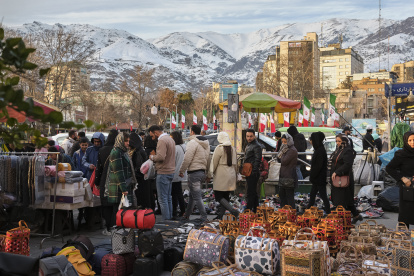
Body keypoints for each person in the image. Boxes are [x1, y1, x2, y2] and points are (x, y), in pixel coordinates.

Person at [179, 125, 210, 222]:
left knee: (196, 196)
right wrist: (208, 173)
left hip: (194, 172)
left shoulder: (192, 143)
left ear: (192, 132)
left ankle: (204, 216)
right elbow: (208, 159)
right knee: (193, 196)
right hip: (202, 172)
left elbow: (187, 158)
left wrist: (181, 170)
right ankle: (187, 215)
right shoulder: (206, 143)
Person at [330, 134, 362, 223]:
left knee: (341, 200)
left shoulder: (347, 151)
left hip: (343, 178)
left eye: (339, 141)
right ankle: (355, 215)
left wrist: (337, 172)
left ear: (344, 141)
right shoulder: (338, 150)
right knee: (347, 199)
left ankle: (341, 221)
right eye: (336, 141)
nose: (337, 143)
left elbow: (347, 164)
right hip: (338, 178)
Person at [386, 131, 414, 227]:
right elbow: (389, 168)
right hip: (407, 187)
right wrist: (402, 178)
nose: (412, 142)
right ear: (405, 141)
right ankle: (404, 239)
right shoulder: (401, 154)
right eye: (410, 140)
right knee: (405, 214)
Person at [207, 132, 238, 219]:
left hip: (221, 174)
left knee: (218, 196)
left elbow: (214, 162)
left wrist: (210, 174)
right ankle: (220, 215)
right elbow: (236, 164)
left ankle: (233, 211)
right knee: (225, 196)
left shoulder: (219, 148)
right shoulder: (233, 148)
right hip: (231, 174)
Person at [108, 133, 135, 229]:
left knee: (121, 210)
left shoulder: (123, 151)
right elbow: (118, 172)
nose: (128, 143)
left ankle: (119, 231)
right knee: (118, 211)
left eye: (128, 141)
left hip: (123, 185)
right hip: (118, 187)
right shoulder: (116, 152)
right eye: (125, 141)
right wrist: (123, 188)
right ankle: (116, 232)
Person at [148, 125, 176, 220]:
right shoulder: (170, 139)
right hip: (170, 171)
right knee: (168, 197)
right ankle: (170, 218)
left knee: (162, 199)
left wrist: (152, 157)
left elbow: (161, 157)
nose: (152, 138)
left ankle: (167, 221)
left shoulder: (162, 140)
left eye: (152, 136)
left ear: (156, 133)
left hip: (163, 172)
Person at [95, 129, 118, 235]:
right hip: (116, 179)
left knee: (105, 204)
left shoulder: (102, 150)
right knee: (115, 204)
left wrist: (97, 182)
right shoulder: (118, 149)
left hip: (104, 179)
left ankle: (108, 225)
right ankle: (115, 225)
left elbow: (98, 168)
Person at [307, 132, 331, 214]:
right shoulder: (319, 149)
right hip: (317, 178)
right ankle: (308, 210)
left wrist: (312, 175)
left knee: (322, 196)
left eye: (312, 139)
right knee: (313, 196)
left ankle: (328, 212)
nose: (310, 141)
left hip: (319, 178)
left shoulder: (320, 151)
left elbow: (318, 166)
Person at [129, 132, 152, 209]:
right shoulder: (140, 149)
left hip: (140, 179)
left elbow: (139, 167)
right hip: (144, 178)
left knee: (142, 198)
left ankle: (143, 215)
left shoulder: (137, 151)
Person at [243, 129, 262, 212]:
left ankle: (249, 210)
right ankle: (255, 210)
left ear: (254, 136)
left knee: (251, 192)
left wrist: (253, 172)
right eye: (247, 136)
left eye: (251, 136)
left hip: (252, 172)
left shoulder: (256, 146)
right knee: (253, 192)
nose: (249, 138)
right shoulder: (249, 145)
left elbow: (258, 160)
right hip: (249, 171)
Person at [277, 133, 298, 209]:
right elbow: (278, 159)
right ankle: (284, 213)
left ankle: (291, 214)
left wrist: (282, 154)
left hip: (289, 177)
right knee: (282, 196)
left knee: (289, 198)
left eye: (285, 142)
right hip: (283, 176)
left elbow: (284, 161)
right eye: (282, 142)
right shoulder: (284, 150)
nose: (283, 144)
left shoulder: (292, 150)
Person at [170, 131, 187, 219]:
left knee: (174, 194)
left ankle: (174, 211)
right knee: (179, 192)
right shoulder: (184, 146)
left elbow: (172, 161)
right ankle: (183, 210)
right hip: (182, 172)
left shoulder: (175, 148)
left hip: (175, 173)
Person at [144, 134, 159, 212]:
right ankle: (159, 208)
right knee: (159, 193)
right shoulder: (157, 150)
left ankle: (152, 207)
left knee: (150, 193)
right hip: (158, 173)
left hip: (149, 175)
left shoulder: (145, 151)